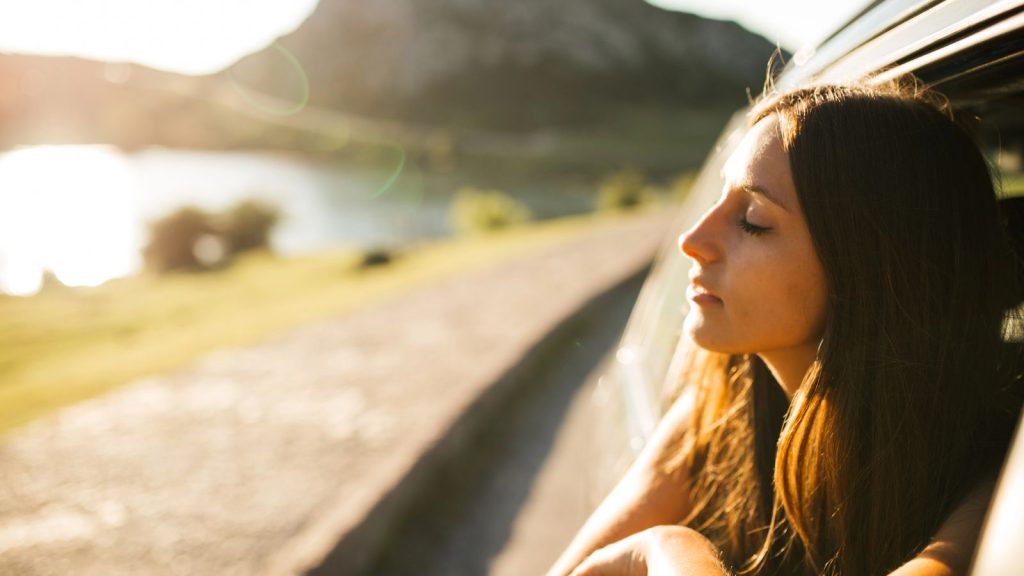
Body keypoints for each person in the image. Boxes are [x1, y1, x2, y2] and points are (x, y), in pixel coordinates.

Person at [547, 79, 1023, 576]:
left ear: (867, 269)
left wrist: (668, 552)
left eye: (752, 219)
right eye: (717, 201)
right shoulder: (721, 411)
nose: (692, 239)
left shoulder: (995, 500)